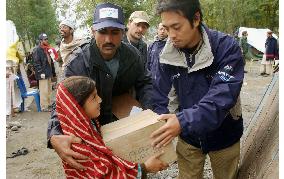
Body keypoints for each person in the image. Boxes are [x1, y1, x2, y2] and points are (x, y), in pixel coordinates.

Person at [47, 2, 153, 171]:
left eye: (115, 32)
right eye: (103, 32)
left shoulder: (133, 56)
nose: (109, 39)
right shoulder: (78, 62)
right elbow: (62, 101)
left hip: (127, 128)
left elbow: (145, 82)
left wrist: (152, 114)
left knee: (136, 170)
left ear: (123, 32)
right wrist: (54, 134)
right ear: (93, 31)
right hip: (93, 134)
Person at [150, 0, 244, 179]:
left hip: (224, 134)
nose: (171, 36)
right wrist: (159, 129)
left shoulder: (226, 47)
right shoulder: (165, 54)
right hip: (188, 138)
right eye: (166, 28)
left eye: (176, 27)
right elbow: (159, 95)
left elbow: (222, 97)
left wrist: (182, 121)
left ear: (196, 19)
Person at [56, 76, 168, 178]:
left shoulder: (87, 127)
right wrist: (144, 168)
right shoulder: (79, 149)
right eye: (94, 97)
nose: (100, 100)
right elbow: (106, 175)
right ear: (77, 108)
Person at [33, 33, 53, 112]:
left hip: (48, 72)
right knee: (44, 90)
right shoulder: (37, 49)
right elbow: (36, 62)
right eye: (45, 39)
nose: (46, 40)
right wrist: (41, 72)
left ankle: (48, 104)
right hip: (42, 73)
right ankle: (44, 106)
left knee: (48, 90)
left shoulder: (46, 48)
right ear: (40, 40)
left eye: (47, 39)